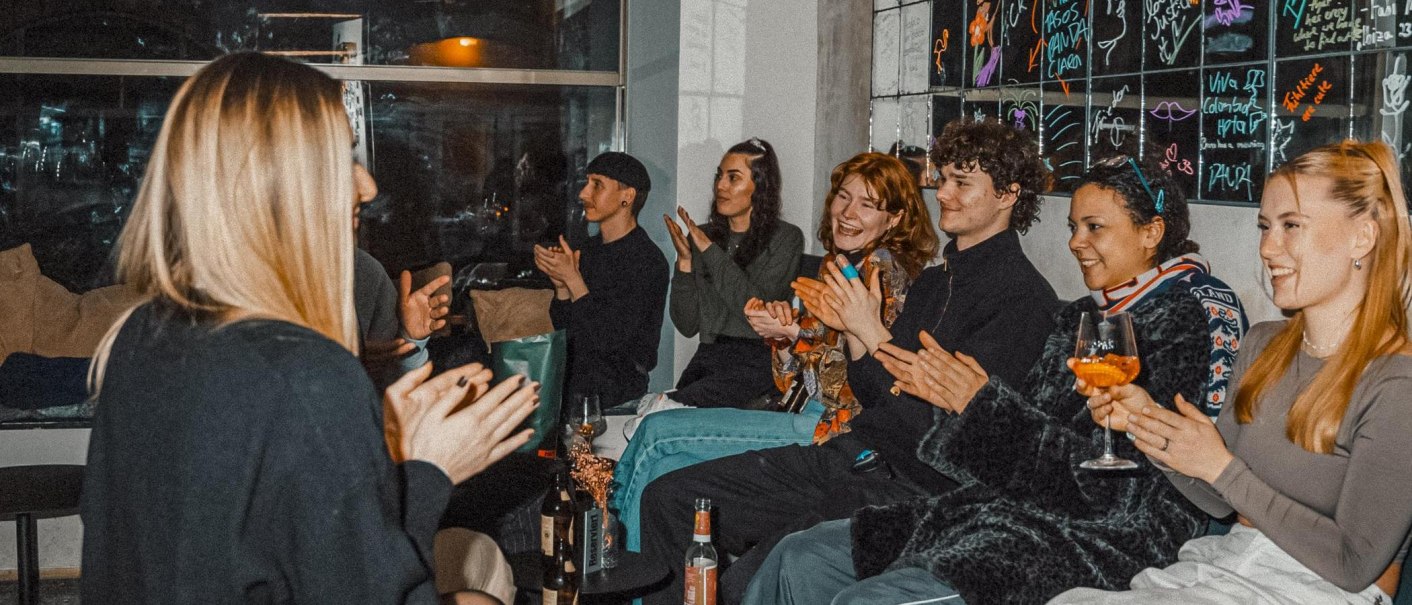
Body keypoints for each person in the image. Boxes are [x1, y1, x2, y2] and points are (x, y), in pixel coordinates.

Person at [79, 52, 539, 604]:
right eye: (343, 157)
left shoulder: (139, 337)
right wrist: (430, 471)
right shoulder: (307, 378)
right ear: (275, 183)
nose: (366, 187)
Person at [745, 147, 1250, 605]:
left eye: (1094, 227)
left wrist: (976, 405)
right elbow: (1020, 440)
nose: (1076, 243)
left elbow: (1113, 488)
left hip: (1090, 541)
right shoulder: (1083, 317)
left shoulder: (1188, 317)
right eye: (1072, 227)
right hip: (997, 510)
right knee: (799, 555)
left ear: (1151, 232)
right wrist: (954, 402)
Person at [639, 120, 1060, 605]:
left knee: (744, 585)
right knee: (669, 499)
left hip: (913, 489)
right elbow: (874, 393)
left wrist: (868, 331)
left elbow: (955, 433)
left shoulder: (1022, 301)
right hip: (857, 454)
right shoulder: (936, 281)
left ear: (1007, 194)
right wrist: (856, 337)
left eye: (961, 183)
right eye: (942, 177)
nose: (942, 192)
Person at [1051, 140, 1412, 604]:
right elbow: (1221, 502)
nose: (1267, 247)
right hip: (1225, 567)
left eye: (1291, 226)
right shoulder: (1263, 343)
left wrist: (1221, 467)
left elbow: (1353, 563)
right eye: (1264, 226)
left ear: (1362, 237)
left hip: (1316, 591)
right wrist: (1147, 425)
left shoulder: (1396, 382)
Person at [610, 152, 939, 551]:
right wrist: (785, 337)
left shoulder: (883, 272)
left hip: (836, 433)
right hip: (803, 411)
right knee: (661, 470)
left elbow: (863, 387)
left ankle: (617, 566)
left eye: (867, 205)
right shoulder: (842, 264)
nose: (848, 212)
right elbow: (795, 380)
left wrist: (798, 334)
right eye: (843, 197)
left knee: (657, 432)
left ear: (895, 219)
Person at [652, 137, 805, 412]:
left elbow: (754, 312)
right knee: (664, 411)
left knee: (669, 409)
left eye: (734, 178)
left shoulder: (786, 238)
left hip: (757, 360)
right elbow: (687, 325)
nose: (721, 186)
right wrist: (685, 263)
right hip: (708, 356)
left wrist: (708, 250)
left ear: (760, 186)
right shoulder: (703, 236)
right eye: (719, 176)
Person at [533, 151, 669, 408]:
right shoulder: (588, 250)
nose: (584, 194)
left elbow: (608, 340)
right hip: (574, 387)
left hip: (617, 396)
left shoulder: (647, 260)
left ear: (626, 197)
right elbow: (566, 332)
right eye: (587, 183)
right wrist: (561, 286)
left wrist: (573, 280)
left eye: (597, 185)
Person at [351, 162, 453, 388]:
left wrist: (410, 343)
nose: (369, 189)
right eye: (343, 157)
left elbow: (396, 391)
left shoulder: (365, 272)